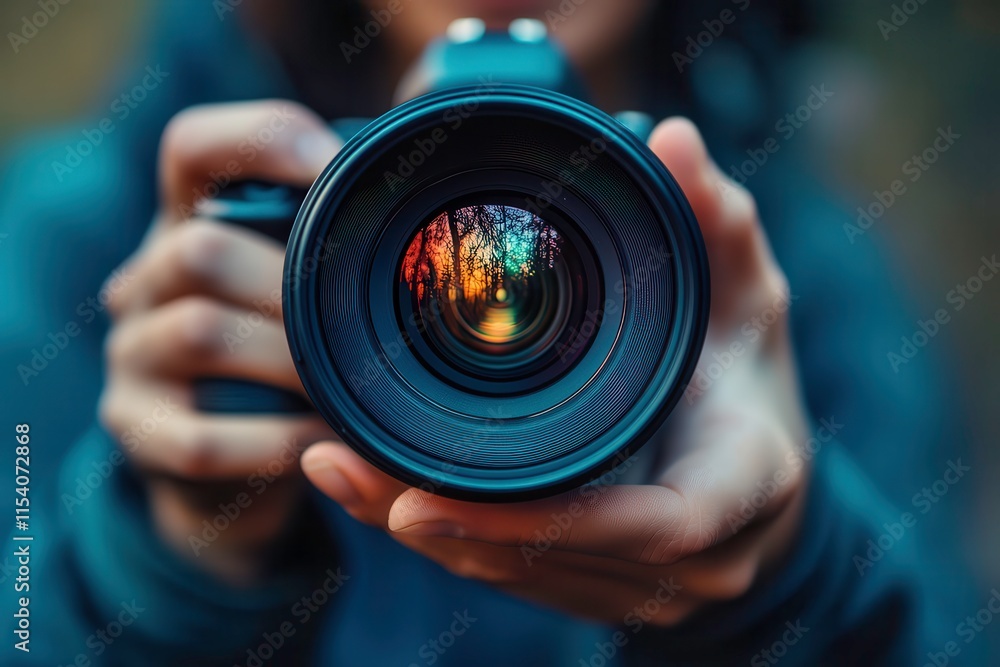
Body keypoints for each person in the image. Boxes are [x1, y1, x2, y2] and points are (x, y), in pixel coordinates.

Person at [0, 1, 980, 665]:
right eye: (450, 273)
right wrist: (159, 557)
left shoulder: (815, 264)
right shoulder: (83, 231)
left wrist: (792, 578)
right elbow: (21, 614)